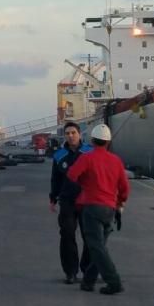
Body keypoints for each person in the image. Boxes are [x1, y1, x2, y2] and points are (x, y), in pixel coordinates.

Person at [67, 124, 130, 295]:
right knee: (99, 246)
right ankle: (88, 281)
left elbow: (72, 174)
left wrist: (84, 184)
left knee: (96, 247)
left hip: (92, 208)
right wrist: (120, 202)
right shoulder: (116, 161)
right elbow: (125, 188)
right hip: (110, 209)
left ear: (92, 141)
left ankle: (114, 282)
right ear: (108, 142)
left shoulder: (87, 158)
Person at [48, 121, 92, 284]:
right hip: (67, 201)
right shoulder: (59, 155)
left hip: (87, 200)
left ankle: (87, 269)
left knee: (89, 237)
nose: (70, 136)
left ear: (80, 134)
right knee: (67, 235)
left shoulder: (89, 152)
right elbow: (56, 178)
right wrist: (53, 198)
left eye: (73, 133)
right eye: (67, 133)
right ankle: (70, 271)